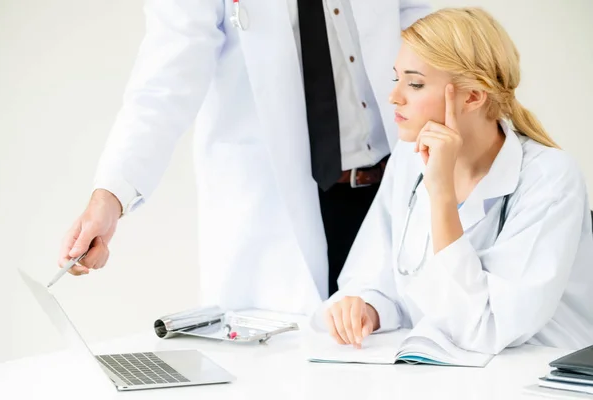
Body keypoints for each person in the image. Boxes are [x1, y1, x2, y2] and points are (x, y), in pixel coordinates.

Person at [56, 1, 432, 315]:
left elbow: (421, 21)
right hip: (278, 208)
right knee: (292, 373)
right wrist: (111, 195)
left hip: (393, 185)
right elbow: (164, 82)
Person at [322, 7, 593, 354]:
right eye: (396, 79)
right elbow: (377, 277)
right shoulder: (408, 158)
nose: (394, 96)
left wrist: (442, 196)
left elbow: (487, 327)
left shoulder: (550, 179)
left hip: (535, 374)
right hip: (446, 373)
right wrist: (367, 307)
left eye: (415, 83)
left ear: (473, 96)